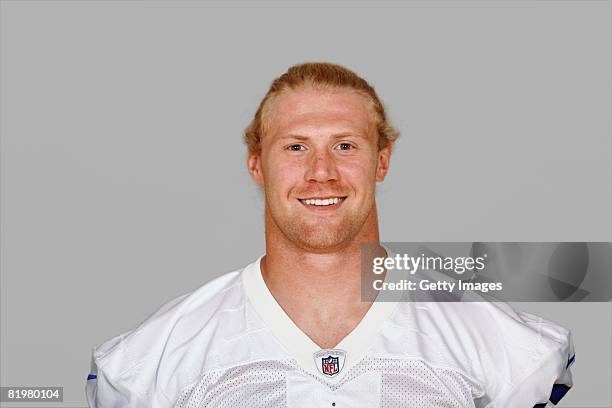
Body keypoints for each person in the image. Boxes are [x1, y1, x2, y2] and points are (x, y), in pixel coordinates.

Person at [85, 62, 574, 407]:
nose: (322, 172)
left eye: (345, 145)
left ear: (381, 161)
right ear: (257, 165)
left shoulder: (488, 334)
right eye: (296, 147)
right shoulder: (153, 357)